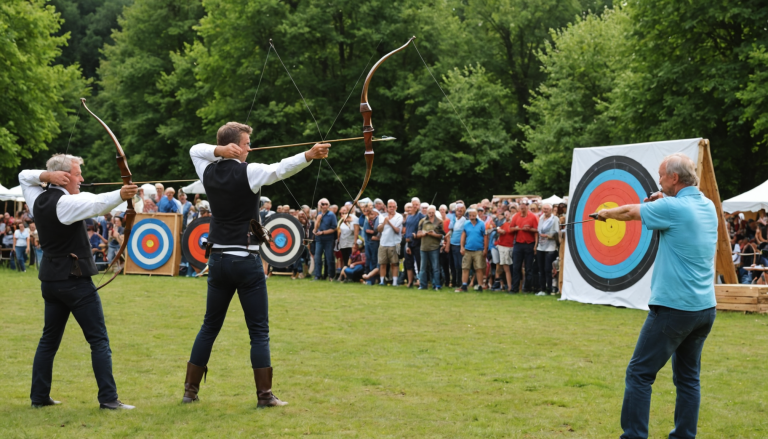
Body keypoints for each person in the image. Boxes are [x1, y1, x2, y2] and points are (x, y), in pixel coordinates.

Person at [184, 121, 330, 407]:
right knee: (259, 331)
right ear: (235, 146)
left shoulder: (207, 171)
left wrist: (218, 150)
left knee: (209, 327)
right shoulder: (248, 172)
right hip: (245, 262)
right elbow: (278, 169)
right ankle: (265, 397)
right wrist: (308, 156)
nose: (250, 148)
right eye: (247, 143)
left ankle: (190, 391)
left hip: (218, 262)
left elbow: (195, 150)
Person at [595, 153, 717, 438]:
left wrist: (605, 213)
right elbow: (676, 204)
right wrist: (662, 196)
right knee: (688, 379)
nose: (659, 180)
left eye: (662, 176)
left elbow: (629, 213)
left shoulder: (672, 208)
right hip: (704, 309)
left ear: (674, 177)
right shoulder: (708, 205)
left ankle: (634, 436)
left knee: (639, 374)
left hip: (674, 308)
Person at [19, 153, 138, 409]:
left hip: (50, 281)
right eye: (77, 174)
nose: (81, 179)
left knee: (48, 340)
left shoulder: (37, 198)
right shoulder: (65, 204)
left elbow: (23, 176)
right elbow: (97, 204)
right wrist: (122, 194)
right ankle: (108, 399)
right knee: (99, 340)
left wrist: (45, 176)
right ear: (63, 177)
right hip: (74, 282)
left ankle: (39, 397)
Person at [509, 198, 538, 293]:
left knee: (528, 268)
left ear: (527, 206)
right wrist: (516, 228)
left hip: (529, 244)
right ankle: (515, 288)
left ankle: (528, 288)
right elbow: (511, 229)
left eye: (524, 205)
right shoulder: (516, 216)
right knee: (516, 267)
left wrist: (529, 230)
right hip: (518, 244)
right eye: (521, 204)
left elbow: (537, 231)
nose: (522, 206)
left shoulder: (533, 217)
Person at [455, 208, 488, 292]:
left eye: (473, 215)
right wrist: (462, 247)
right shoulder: (466, 224)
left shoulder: (481, 224)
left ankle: (480, 286)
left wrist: (485, 249)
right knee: (465, 267)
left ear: (476, 215)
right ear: (468, 216)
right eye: (470, 215)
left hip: (479, 249)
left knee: (479, 268)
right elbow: (463, 235)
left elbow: (485, 236)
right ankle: (464, 285)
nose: (472, 217)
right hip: (468, 249)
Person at [417, 205, 445, 290]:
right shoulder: (422, 221)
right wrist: (424, 233)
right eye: (429, 213)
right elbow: (418, 234)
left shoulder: (439, 222)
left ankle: (437, 285)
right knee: (422, 268)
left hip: (434, 248)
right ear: (427, 212)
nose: (431, 214)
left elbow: (442, 235)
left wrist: (434, 234)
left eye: (433, 212)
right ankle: (423, 285)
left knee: (435, 268)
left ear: (435, 212)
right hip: (423, 248)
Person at [377, 199, 403, 286]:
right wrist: (384, 223)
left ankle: (395, 282)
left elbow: (397, 230)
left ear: (396, 207)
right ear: (387, 207)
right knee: (382, 263)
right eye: (389, 207)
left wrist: (389, 222)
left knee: (394, 263)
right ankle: (381, 281)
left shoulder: (399, 216)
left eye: (393, 207)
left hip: (394, 243)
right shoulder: (382, 216)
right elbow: (379, 230)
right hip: (383, 242)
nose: (391, 208)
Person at [536, 203, 559, 295]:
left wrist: (548, 236)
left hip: (550, 247)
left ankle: (549, 289)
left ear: (551, 210)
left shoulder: (555, 219)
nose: (545, 210)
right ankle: (542, 289)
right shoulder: (541, 218)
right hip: (540, 247)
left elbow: (557, 233)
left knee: (547, 269)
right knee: (541, 269)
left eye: (547, 209)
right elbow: (538, 230)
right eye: (544, 209)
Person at [313, 198, 336, 281]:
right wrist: (318, 220)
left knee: (329, 257)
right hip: (319, 239)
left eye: (326, 204)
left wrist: (323, 232)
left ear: (328, 205)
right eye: (323, 204)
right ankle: (317, 276)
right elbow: (315, 228)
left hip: (328, 239)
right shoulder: (318, 214)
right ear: (320, 206)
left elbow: (334, 228)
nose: (325, 206)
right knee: (317, 257)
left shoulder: (331, 215)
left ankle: (331, 275)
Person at [444, 203, 467, 288]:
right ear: (455, 211)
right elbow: (450, 231)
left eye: (461, 210)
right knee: (452, 264)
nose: (459, 212)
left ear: (463, 211)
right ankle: (453, 281)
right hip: (452, 243)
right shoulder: (453, 219)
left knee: (458, 264)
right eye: (458, 210)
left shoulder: (465, 220)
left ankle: (459, 282)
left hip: (458, 244)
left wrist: (462, 246)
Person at [404, 197, 425, 288]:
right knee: (408, 263)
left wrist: (417, 235)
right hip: (408, 242)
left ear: (419, 205)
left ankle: (420, 281)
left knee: (419, 263)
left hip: (418, 243)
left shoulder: (421, 216)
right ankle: (410, 282)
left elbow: (424, 228)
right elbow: (407, 229)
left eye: (416, 204)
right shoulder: (408, 216)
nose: (415, 206)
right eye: (413, 204)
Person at [336, 205, 357, 273]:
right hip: (343, 244)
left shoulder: (353, 219)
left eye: (345, 213)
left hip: (350, 243)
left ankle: (350, 275)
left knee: (351, 261)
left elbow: (354, 230)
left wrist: (349, 222)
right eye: (342, 213)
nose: (343, 214)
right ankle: (344, 274)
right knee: (345, 260)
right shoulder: (341, 221)